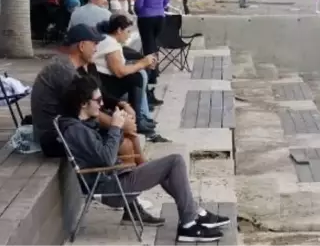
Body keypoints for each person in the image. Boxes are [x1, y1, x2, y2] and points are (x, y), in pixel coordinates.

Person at [58, 76, 230, 241]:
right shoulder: (76, 131)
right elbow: (107, 159)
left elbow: (107, 152)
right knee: (175, 161)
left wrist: (120, 128)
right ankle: (189, 223)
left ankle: (193, 214)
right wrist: (116, 126)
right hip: (111, 188)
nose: (102, 104)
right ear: (83, 103)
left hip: (115, 178)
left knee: (169, 168)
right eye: (98, 100)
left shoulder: (82, 125)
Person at [31, 24, 144, 160]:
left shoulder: (71, 66)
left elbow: (92, 104)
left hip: (70, 128)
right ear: (82, 46)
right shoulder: (64, 72)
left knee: (125, 133)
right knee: (124, 144)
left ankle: (140, 169)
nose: (96, 49)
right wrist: (118, 124)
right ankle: (126, 178)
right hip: (55, 137)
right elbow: (87, 108)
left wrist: (120, 117)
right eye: (94, 44)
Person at [94, 15, 169, 142]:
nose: (129, 35)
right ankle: (138, 119)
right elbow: (119, 72)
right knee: (136, 77)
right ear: (119, 30)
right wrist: (142, 64)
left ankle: (141, 117)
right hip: (101, 84)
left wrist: (142, 61)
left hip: (102, 79)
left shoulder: (110, 41)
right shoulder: (111, 44)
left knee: (137, 74)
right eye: (127, 31)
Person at [135, 0, 169, 97]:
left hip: (146, 18)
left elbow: (138, 5)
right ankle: (154, 75)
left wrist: (140, 12)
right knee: (154, 47)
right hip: (160, 18)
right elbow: (167, 1)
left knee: (148, 49)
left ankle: (151, 80)